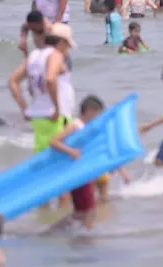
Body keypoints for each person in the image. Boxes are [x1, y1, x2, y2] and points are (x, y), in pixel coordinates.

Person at [48, 95, 107, 231]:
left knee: (82, 211)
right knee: (88, 210)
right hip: (78, 174)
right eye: (97, 114)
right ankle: (85, 237)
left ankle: (59, 231)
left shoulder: (85, 127)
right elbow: (53, 141)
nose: (98, 118)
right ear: (89, 111)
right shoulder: (75, 125)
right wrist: (70, 151)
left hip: (83, 172)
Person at [15, 23, 76, 151]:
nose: (68, 49)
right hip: (57, 118)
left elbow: (13, 81)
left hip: (38, 118)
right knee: (61, 161)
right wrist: (57, 108)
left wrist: (24, 108)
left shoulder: (34, 55)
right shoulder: (55, 55)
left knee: (43, 159)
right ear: (61, 41)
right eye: (67, 45)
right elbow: (50, 78)